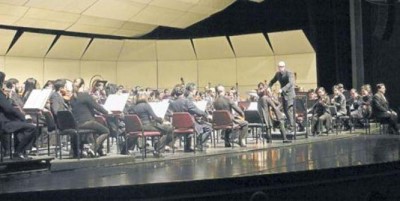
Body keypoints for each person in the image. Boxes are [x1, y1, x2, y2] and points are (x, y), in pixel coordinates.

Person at [70, 78, 110, 157]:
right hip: (87, 123)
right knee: (106, 131)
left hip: (77, 124)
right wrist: (107, 112)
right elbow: (97, 106)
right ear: (83, 85)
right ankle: (92, 148)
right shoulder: (85, 95)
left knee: (98, 128)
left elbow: (86, 109)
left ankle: (99, 150)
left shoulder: (72, 98)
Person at [0, 71, 36, 160]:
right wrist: (22, 116)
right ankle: (18, 152)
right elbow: (8, 109)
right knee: (31, 127)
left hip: (4, 121)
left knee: (20, 125)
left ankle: (18, 153)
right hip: (3, 123)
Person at [166, 84, 212, 152]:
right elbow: (197, 111)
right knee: (208, 128)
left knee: (192, 126)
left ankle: (187, 147)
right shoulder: (186, 101)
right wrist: (206, 115)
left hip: (177, 125)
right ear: (183, 92)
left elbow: (169, 113)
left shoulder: (172, 103)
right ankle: (199, 144)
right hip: (189, 124)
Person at [125, 92, 173, 157]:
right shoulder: (146, 105)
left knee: (163, 129)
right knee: (168, 129)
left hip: (137, 127)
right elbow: (155, 117)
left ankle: (157, 146)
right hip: (146, 126)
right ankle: (158, 150)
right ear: (145, 97)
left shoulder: (133, 107)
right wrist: (162, 121)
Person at [268, 61, 296, 131]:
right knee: (285, 111)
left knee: (289, 110)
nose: (280, 68)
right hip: (283, 95)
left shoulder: (289, 73)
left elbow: (291, 83)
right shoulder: (277, 74)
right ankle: (290, 125)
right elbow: (272, 81)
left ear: (284, 67)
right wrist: (269, 86)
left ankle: (292, 127)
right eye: (279, 67)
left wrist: (282, 89)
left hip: (290, 94)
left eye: (282, 67)